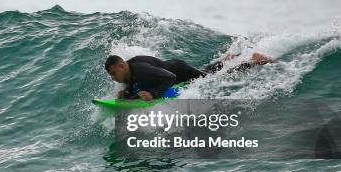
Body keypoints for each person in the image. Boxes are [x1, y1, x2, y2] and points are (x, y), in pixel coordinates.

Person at [104, 52, 273, 101]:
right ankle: (227, 58)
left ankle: (254, 61)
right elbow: (134, 83)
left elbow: (169, 78)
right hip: (174, 67)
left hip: (180, 72)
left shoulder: (140, 69)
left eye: (113, 73)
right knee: (208, 71)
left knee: (215, 77)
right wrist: (126, 92)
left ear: (121, 65)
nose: (113, 78)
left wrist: (153, 94)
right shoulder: (129, 71)